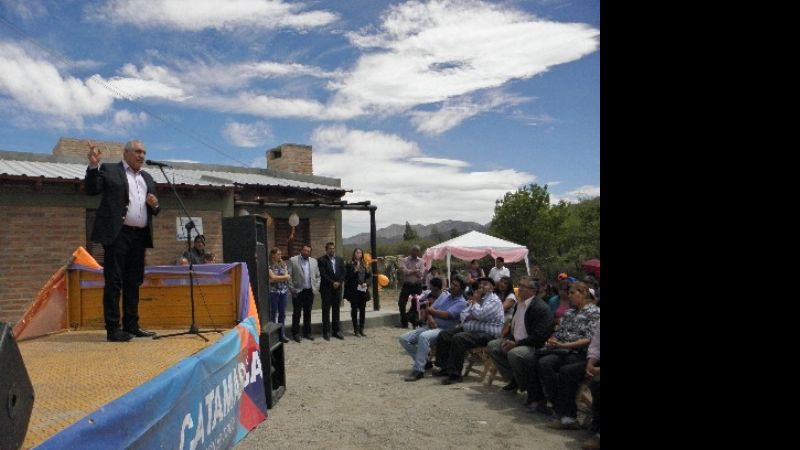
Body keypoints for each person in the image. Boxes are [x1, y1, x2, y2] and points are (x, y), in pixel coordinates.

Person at [84, 140, 160, 342]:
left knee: (134, 282)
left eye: (144, 152)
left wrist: (155, 204)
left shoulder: (147, 177)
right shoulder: (110, 170)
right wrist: (93, 166)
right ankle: (113, 329)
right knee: (114, 282)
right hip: (117, 235)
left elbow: (156, 208)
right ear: (126, 153)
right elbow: (92, 190)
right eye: (137, 151)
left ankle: (132, 325)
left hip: (139, 236)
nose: (141, 155)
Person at [487, 277, 553, 393]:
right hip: (516, 340)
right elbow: (515, 328)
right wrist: (508, 339)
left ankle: (530, 389)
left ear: (532, 290)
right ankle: (514, 379)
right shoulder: (519, 305)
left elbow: (539, 337)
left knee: (515, 353)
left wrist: (516, 343)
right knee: (493, 345)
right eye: (519, 285)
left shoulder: (540, 308)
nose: (519, 289)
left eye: (522, 286)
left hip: (532, 345)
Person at [398, 276, 468, 381]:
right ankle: (425, 362)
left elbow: (446, 315)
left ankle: (419, 370)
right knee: (404, 339)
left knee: (423, 337)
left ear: (462, 289)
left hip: (444, 330)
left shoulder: (461, 302)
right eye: (452, 284)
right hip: (431, 325)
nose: (452, 286)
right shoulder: (446, 296)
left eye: (455, 285)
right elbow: (429, 309)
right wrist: (430, 318)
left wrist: (431, 312)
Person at [287, 244, 321, 342]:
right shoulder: (293, 260)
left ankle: (307, 333)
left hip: (309, 291)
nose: (306, 252)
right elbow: (289, 276)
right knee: (297, 314)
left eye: (308, 251)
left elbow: (318, 276)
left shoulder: (314, 261)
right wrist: (292, 289)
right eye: (305, 250)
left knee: (308, 313)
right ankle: (295, 333)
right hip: (298, 291)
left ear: (310, 252)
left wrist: (316, 287)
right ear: (301, 250)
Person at [318, 242, 346, 340]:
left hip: (337, 289)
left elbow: (343, 272)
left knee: (336, 310)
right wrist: (332, 282)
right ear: (326, 250)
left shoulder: (340, 259)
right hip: (326, 289)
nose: (332, 250)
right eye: (330, 248)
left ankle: (336, 331)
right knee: (326, 311)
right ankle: (326, 332)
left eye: (333, 248)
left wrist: (339, 282)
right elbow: (323, 274)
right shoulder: (321, 260)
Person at [344, 248, 371, 337]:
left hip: (363, 290)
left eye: (360, 253)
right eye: (357, 252)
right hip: (353, 291)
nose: (358, 254)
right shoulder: (349, 264)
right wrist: (355, 270)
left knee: (362, 310)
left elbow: (369, 276)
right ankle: (356, 329)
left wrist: (366, 283)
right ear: (354, 254)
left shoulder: (365, 264)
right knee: (354, 310)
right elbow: (347, 277)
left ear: (362, 254)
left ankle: (361, 329)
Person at [398, 245, 425, 328]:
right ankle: (404, 321)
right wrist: (414, 271)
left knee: (416, 303)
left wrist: (413, 272)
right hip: (407, 284)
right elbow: (405, 271)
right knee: (401, 303)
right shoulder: (405, 260)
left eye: (417, 251)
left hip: (417, 284)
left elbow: (421, 274)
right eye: (414, 250)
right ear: (411, 251)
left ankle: (414, 321)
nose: (416, 252)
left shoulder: (421, 261)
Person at [268, 247, 291, 343]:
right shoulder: (268, 265)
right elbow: (272, 277)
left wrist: (276, 278)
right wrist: (283, 277)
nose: (280, 256)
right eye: (278, 254)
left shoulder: (283, 263)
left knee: (282, 314)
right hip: (273, 292)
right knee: (273, 314)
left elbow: (287, 276)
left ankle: (282, 334)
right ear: (273, 255)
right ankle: (272, 336)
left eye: (280, 254)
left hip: (283, 292)